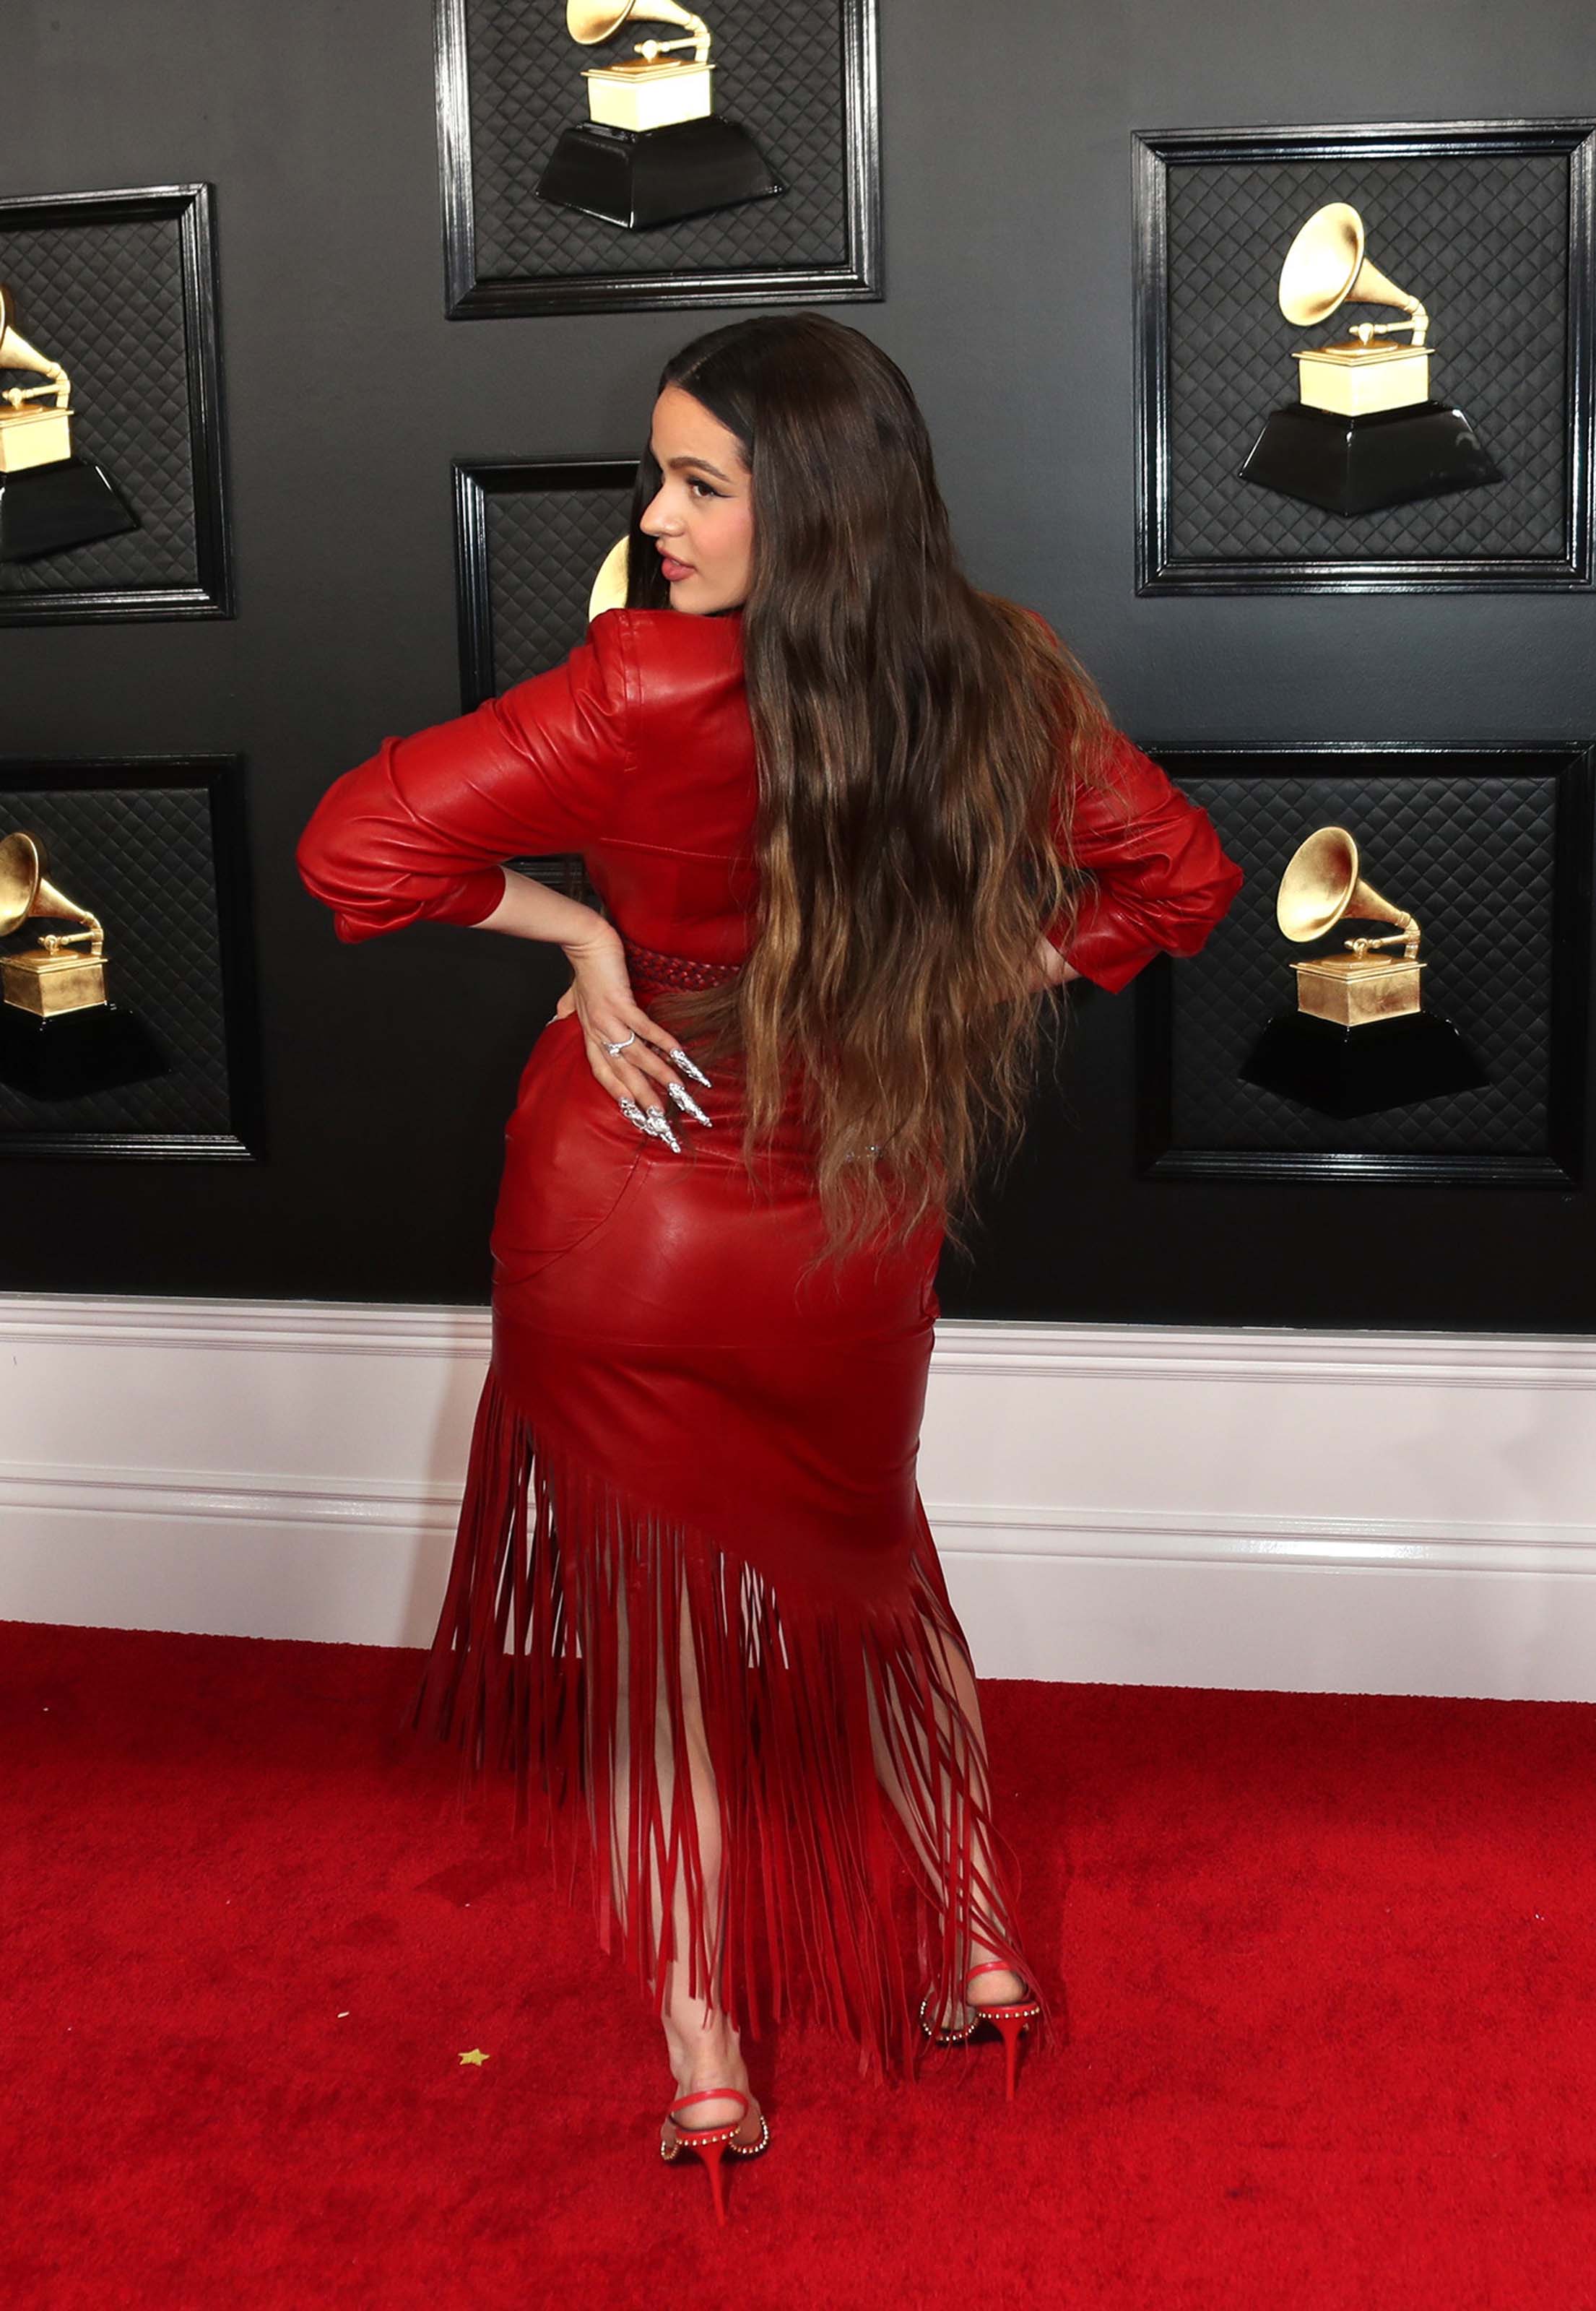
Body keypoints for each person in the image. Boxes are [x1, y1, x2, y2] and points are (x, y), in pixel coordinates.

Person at [295, 313, 1244, 2227]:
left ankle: (706, 2058)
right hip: (845, 1204)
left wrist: (579, 939)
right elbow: (1180, 886)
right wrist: (970, 978)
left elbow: (353, 854)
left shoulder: (634, 696)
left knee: (651, 1648)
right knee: (879, 1567)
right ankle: (980, 1949)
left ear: (805, 505)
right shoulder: (996, 685)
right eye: (660, 476)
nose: (653, 519)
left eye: (697, 484)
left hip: (617, 1210)